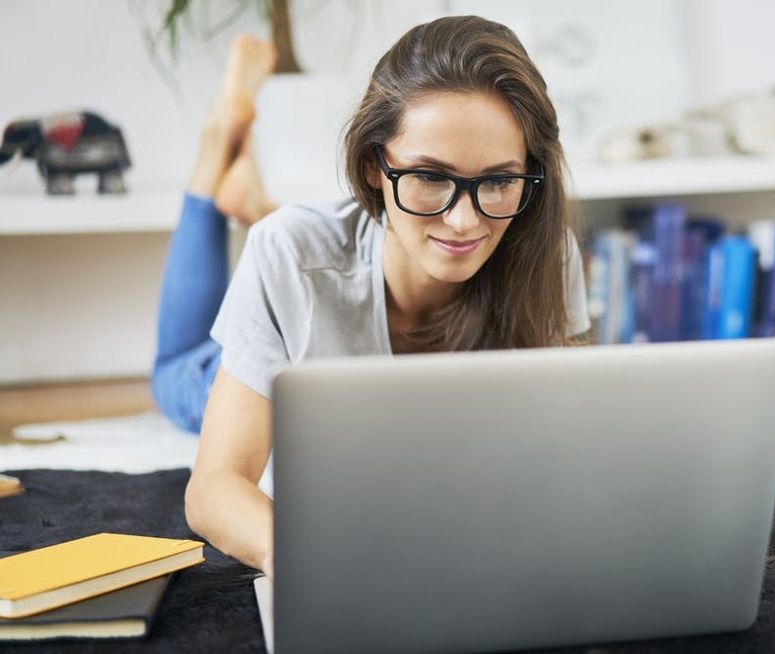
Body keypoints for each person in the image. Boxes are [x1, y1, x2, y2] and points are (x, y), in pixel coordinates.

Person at [153, 16, 591, 579]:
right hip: (255, 356)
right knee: (174, 373)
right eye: (431, 177)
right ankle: (215, 158)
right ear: (372, 166)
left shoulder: (548, 256)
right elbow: (214, 487)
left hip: (323, 267)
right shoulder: (287, 252)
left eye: (499, 180)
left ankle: (252, 195)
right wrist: (311, 563)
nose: (464, 221)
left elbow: (552, 460)